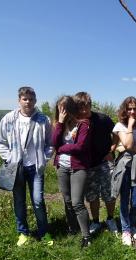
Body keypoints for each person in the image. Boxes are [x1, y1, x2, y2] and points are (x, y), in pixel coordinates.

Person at [0, 86, 53, 246]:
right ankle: (23, 233)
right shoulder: (9, 118)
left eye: (31, 99)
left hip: (36, 168)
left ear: (35, 100)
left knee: (38, 201)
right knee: (19, 200)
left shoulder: (43, 119)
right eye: (25, 99)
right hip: (17, 168)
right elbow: (0, 142)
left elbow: (50, 143)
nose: (28, 102)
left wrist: (45, 158)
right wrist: (10, 158)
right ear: (19, 100)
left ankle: (44, 232)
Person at [73, 92, 118, 235]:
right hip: (87, 165)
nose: (84, 111)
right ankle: (96, 221)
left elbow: (116, 133)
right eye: (81, 108)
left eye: (87, 107)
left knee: (109, 193)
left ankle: (111, 219)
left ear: (90, 105)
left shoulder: (103, 119)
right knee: (92, 196)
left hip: (105, 162)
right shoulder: (74, 122)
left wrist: (112, 149)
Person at [52, 95, 92, 248]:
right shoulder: (58, 125)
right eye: (60, 108)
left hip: (78, 167)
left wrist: (62, 149)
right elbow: (54, 142)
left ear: (71, 109)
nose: (63, 111)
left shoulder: (83, 125)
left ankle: (86, 236)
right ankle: (72, 228)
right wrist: (60, 123)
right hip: (62, 167)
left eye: (65, 108)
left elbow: (79, 147)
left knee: (77, 203)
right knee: (67, 201)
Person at [111, 96, 136, 246]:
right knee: (124, 199)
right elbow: (127, 144)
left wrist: (127, 147)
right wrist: (130, 126)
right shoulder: (119, 126)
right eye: (129, 109)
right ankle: (125, 230)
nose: (132, 111)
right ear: (124, 110)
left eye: (134, 108)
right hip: (124, 166)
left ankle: (132, 224)